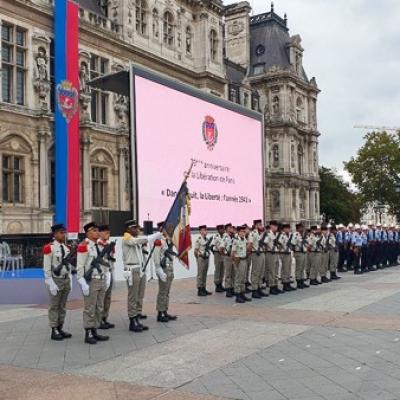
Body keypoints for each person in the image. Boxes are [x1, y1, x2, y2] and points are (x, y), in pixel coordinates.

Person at [122, 220, 162, 332]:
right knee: (133, 296)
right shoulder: (126, 238)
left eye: (137, 228)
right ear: (128, 229)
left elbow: (143, 251)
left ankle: (138, 316)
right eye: (134, 228)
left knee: (140, 295)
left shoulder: (136, 239)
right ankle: (132, 319)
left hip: (140, 269)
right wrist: (152, 237)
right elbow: (135, 242)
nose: (137, 230)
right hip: (132, 269)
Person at [77, 222, 110, 344]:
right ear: (88, 232)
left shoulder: (100, 246)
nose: (97, 232)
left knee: (99, 306)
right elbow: (80, 266)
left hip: (100, 278)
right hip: (91, 280)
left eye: (97, 230)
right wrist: (82, 282)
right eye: (94, 230)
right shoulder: (84, 246)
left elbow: (104, 262)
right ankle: (88, 332)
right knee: (90, 307)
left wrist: (106, 275)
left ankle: (95, 329)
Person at [43, 224, 73, 341]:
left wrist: (70, 278)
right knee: (54, 306)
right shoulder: (49, 248)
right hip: (56, 279)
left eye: (64, 232)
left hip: (65, 279)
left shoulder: (66, 248)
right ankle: (54, 329)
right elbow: (46, 268)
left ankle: (60, 327)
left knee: (62, 306)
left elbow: (69, 265)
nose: (63, 234)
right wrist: (50, 283)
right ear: (55, 234)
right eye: (61, 233)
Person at [154, 221, 178, 322]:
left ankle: (165, 311)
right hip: (163, 269)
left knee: (167, 291)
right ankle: (160, 313)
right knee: (163, 291)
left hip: (169, 267)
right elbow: (156, 257)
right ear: (161, 229)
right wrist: (158, 269)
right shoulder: (159, 241)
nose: (168, 230)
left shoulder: (168, 240)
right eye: (165, 228)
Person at [97, 224, 116, 330]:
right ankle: (98, 320)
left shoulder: (109, 245)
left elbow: (111, 260)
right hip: (101, 274)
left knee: (108, 297)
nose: (107, 234)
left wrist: (112, 272)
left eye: (108, 233)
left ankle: (104, 317)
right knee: (100, 298)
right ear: (99, 233)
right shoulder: (97, 245)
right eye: (105, 232)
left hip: (108, 272)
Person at [248, 219, 268, 298]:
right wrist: (249, 252)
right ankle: (254, 290)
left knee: (261, 272)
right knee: (255, 272)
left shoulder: (261, 234)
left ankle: (259, 288)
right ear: (256, 225)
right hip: (256, 254)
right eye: (260, 225)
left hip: (262, 253)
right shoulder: (253, 233)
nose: (261, 226)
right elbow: (250, 244)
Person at [232, 225, 251, 303]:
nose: (243, 233)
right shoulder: (236, 241)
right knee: (238, 278)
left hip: (244, 259)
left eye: (244, 231)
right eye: (242, 231)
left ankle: (242, 294)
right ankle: (238, 295)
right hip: (238, 260)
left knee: (243, 278)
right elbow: (232, 253)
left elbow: (247, 247)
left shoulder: (244, 240)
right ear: (238, 232)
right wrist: (235, 261)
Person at [263, 220, 281, 295]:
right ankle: (271, 287)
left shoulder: (275, 234)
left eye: (277, 226)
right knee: (271, 271)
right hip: (270, 254)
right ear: (271, 226)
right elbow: (265, 242)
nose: (276, 227)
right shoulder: (268, 234)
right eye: (275, 226)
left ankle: (275, 285)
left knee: (276, 270)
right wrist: (270, 248)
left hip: (276, 253)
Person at [194, 225, 213, 296]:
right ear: (200, 231)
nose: (206, 231)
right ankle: (199, 289)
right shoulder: (198, 239)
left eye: (206, 230)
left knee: (204, 274)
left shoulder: (207, 240)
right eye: (204, 230)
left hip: (206, 258)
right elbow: (196, 251)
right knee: (200, 274)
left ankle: (203, 288)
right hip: (201, 258)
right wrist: (199, 257)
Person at [290, 223, 309, 289]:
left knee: (302, 268)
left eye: (303, 227)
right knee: (299, 268)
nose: (303, 229)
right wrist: (296, 250)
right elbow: (293, 244)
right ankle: (298, 282)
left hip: (303, 252)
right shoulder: (296, 234)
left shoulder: (302, 235)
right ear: (298, 228)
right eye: (302, 228)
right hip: (298, 253)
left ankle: (301, 281)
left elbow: (306, 243)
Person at [278, 223, 295, 291]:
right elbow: (279, 243)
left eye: (289, 228)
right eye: (287, 228)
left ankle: (288, 282)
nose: (288, 230)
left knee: (288, 268)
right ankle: (285, 284)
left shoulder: (289, 235)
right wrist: (283, 248)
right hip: (284, 253)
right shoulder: (282, 235)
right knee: (285, 268)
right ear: (284, 229)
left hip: (288, 252)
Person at [221, 223, 235, 298]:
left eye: (232, 227)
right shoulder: (225, 237)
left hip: (233, 257)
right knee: (228, 274)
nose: (232, 229)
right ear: (227, 229)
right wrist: (225, 255)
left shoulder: (233, 237)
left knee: (233, 273)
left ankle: (232, 288)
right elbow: (221, 247)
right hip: (227, 257)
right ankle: (228, 289)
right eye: (230, 228)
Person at [212, 225, 226, 292]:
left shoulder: (225, 236)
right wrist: (219, 251)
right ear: (218, 230)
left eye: (223, 229)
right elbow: (215, 245)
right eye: (222, 229)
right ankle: (217, 285)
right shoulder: (216, 236)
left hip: (223, 254)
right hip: (217, 253)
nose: (223, 230)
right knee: (218, 269)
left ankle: (220, 284)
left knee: (222, 269)